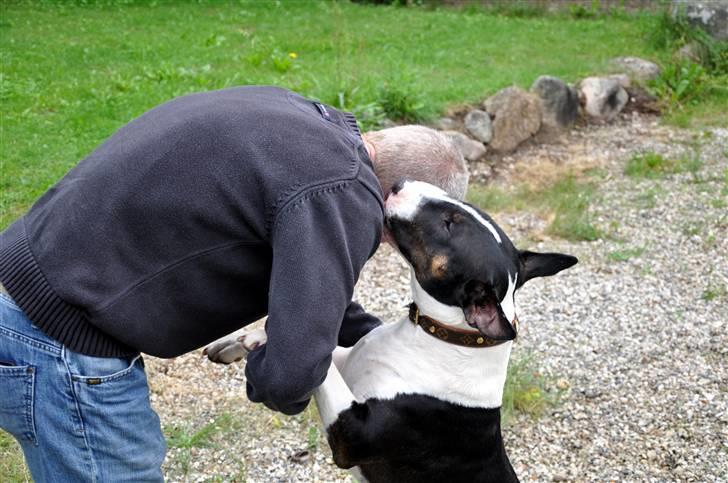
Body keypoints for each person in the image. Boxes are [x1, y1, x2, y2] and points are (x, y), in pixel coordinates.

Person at [0, 85, 468, 481]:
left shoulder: (304, 122)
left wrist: (377, 342)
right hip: (60, 343)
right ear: (399, 203)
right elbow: (289, 377)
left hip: (23, 283)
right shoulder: (344, 194)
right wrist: (269, 366)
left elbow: (311, 281)